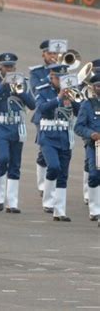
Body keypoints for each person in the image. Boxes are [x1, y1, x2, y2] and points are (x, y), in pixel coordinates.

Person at [0, 53, 35, 213]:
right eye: (6, 67)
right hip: (0, 126)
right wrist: (3, 85)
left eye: (11, 66)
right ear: (0, 68)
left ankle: (11, 202)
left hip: (17, 127)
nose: (9, 69)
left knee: (15, 163)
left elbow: (33, 105)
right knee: (3, 158)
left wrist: (20, 91)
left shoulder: (23, 82)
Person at [35, 65, 80, 221]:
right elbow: (41, 108)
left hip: (65, 137)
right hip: (48, 136)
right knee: (53, 166)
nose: (60, 82)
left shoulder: (72, 92)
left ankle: (59, 211)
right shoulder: (43, 90)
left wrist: (73, 99)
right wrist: (58, 98)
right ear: (51, 77)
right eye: (57, 78)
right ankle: (48, 202)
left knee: (63, 175)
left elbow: (80, 112)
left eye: (63, 78)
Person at [29, 41, 58, 198]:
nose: (53, 56)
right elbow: (35, 89)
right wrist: (52, 75)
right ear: (43, 55)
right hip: (43, 117)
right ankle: (42, 185)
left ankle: (53, 185)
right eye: (50, 53)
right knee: (44, 151)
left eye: (55, 54)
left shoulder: (65, 71)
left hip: (62, 117)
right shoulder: (36, 72)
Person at [74, 74, 100, 225]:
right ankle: (95, 210)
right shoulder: (88, 104)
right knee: (95, 175)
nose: (99, 89)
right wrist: (92, 134)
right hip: (94, 145)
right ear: (92, 88)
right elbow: (78, 127)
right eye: (97, 86)